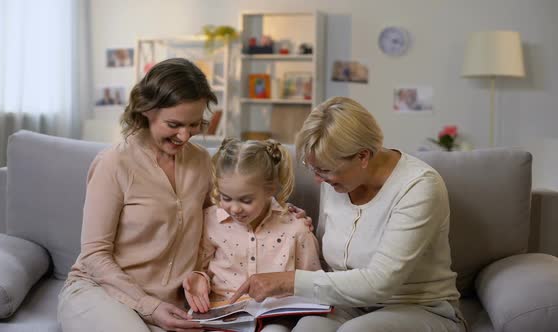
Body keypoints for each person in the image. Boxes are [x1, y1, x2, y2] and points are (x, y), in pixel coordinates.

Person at [229, 97, 467, 332]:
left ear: (363, 156)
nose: (318, 179)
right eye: (313, 169)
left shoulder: (419, 186)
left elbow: (380, 283)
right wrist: (301, 230)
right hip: (350, 305)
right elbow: (330, 265)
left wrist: (287, 281)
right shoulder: (338, 181)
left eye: (324, 170)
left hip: (419, 307)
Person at [57, 58, 218, 332]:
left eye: (194, 125)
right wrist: (149, 306)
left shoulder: (202, 162)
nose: (185, 136)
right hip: (100, 292)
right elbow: (95, 255)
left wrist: (278, 213)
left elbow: (218, 221)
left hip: (170, 304)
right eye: (174, 124)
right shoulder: (114, 163)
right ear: (146, 110)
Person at [183, 138, 321, 332]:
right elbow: (201, 267)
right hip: (223, 315)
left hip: (274, 319)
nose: (235, 208)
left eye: (246, 200)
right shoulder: (210, 221)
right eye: (226, 198)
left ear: (270, 190)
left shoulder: (296, 228)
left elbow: (313, 283)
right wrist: (198, 278)